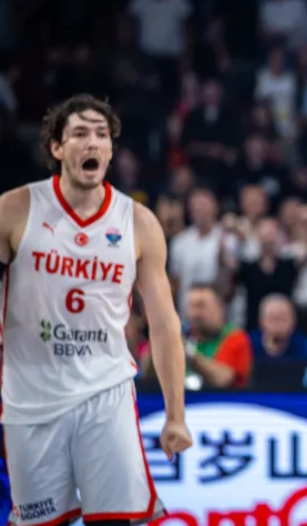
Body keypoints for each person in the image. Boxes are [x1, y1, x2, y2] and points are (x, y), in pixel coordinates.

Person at [0, 94, 193, 526]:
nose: (93, 143)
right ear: (56, 147)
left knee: (114, 521)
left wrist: (176, 415)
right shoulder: (14, 210)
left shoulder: (138, 222)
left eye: (102, 135)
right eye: (80, 134)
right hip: (30, 397)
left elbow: (164, 324)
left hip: (106, 394)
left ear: (110, 150)